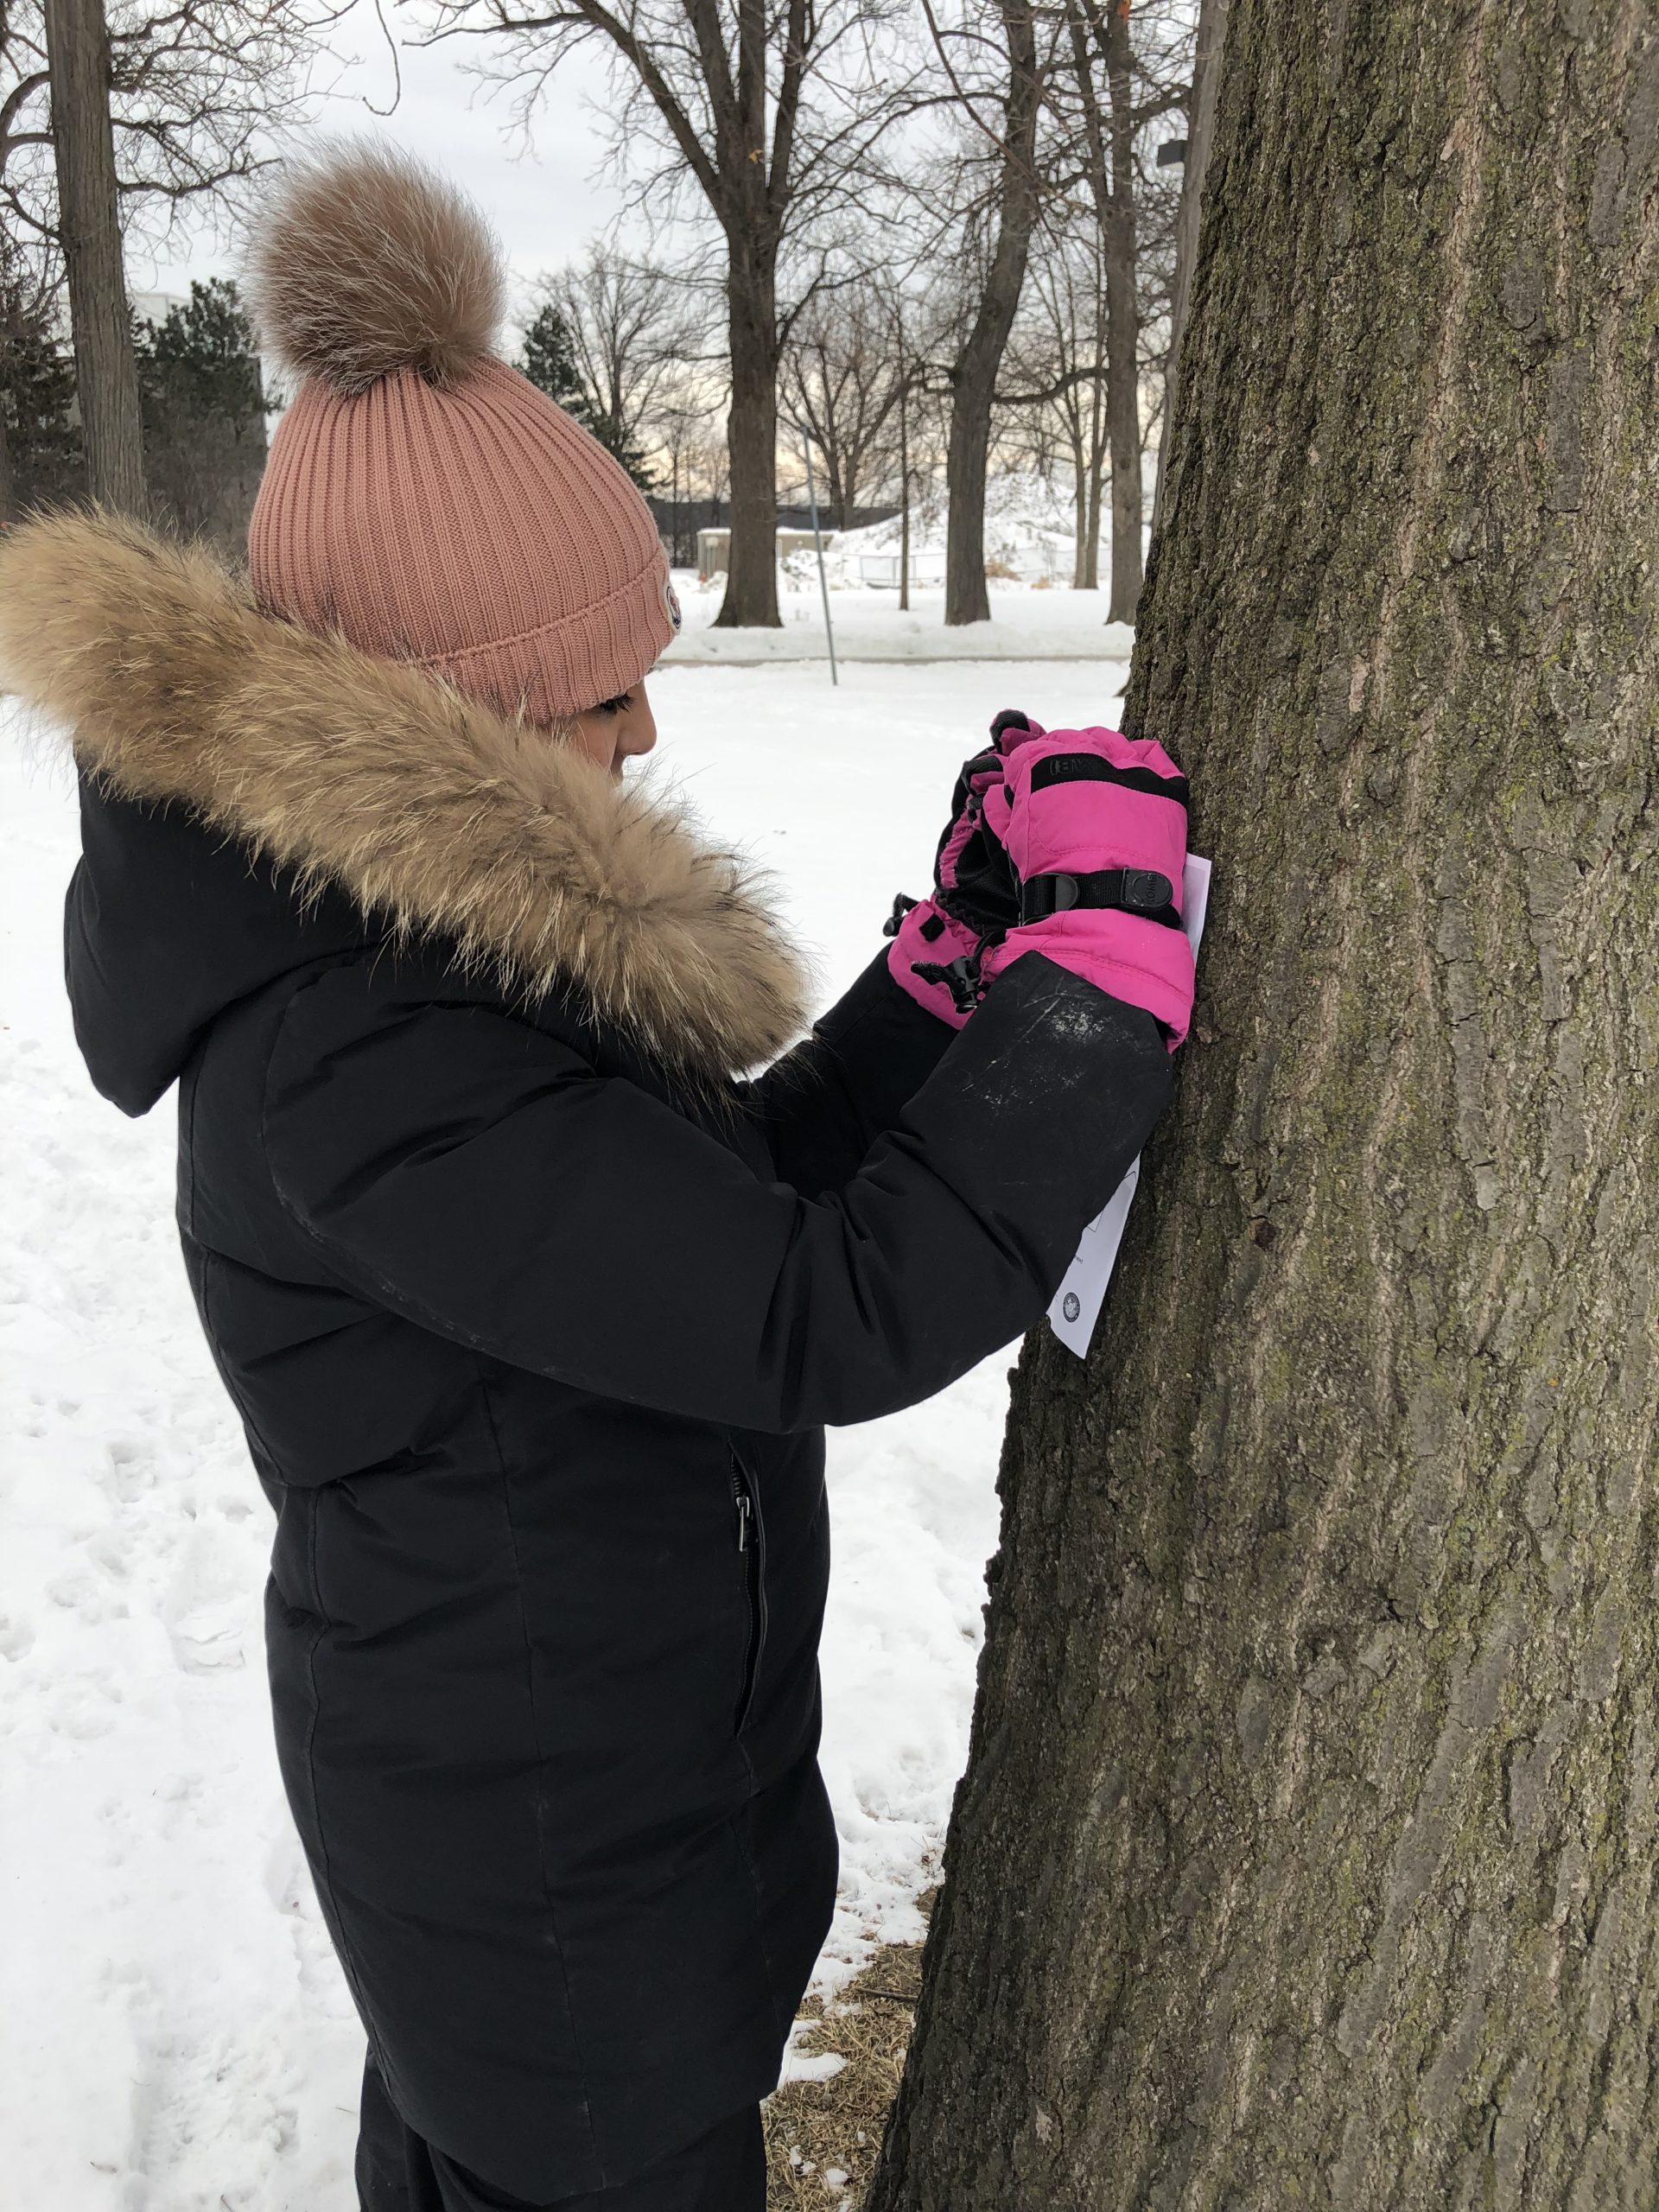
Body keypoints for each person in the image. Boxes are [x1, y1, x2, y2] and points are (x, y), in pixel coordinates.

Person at [0, 145, 1195, 2212]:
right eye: (591, 691)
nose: (646, 726)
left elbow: (721, 1201)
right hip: (543, 1896)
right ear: (437, 730)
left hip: (581, 1827)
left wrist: (951, 979)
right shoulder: (354, 1060)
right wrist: (1088, 1004)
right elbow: (808, 1308)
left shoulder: (420, 963)